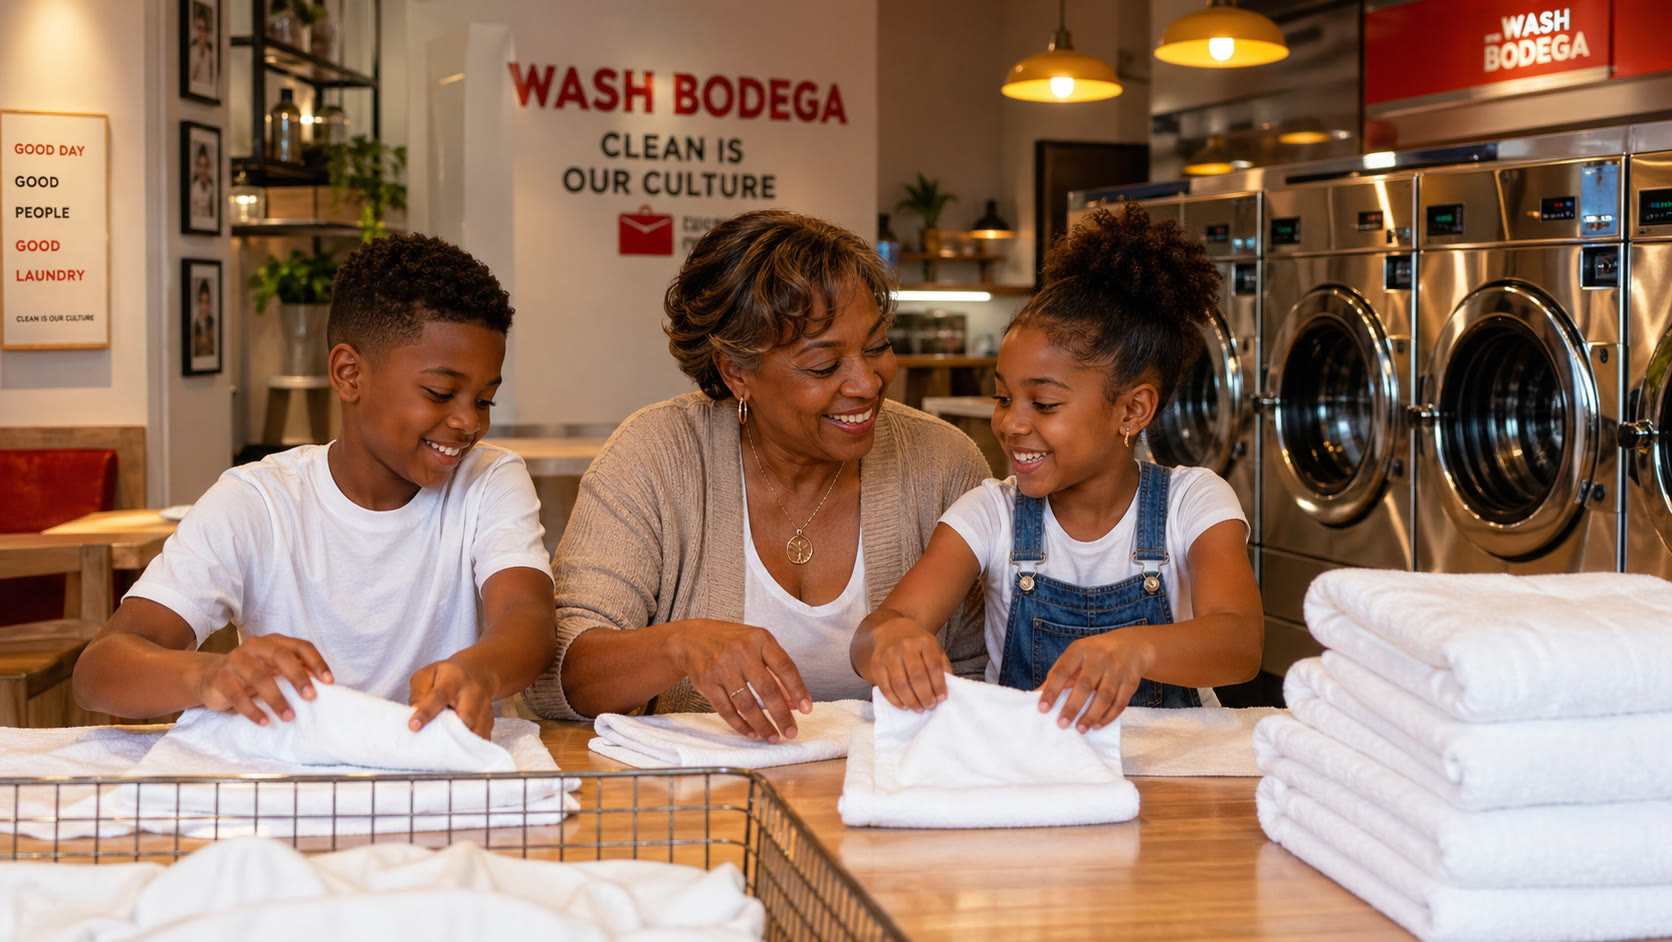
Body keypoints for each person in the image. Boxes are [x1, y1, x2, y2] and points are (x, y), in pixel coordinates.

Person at [523, 209, 992, 743]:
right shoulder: (657, 456)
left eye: (878, 346)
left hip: (893, 797)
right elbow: (559, 676)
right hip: (708, 805)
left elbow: (987, 671)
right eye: (823, 366)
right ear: (736, 371)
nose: (866, 383)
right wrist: (682, 645)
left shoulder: (942, 462)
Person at [73, 234, 557, 739]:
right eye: (440, 393)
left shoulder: (489, 480)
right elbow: (99, 671)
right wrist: (211, 676)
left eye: (484, 400)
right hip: (294, 792)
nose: (467, 422)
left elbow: (527, 618)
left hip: (443, 779)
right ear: (349, 374)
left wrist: (478, 669)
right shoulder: (258, 502)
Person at [851, 203, 1263, 734]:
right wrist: (892, 640)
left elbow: (1240, 643)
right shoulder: (990, 514)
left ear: (1132, 410)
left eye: (1043, 405)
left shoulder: (1193, 502)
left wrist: (1132, 651)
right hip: (1034, 773)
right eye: (1003, 398)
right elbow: (877, 631)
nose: (1012, 424)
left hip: (1170, 771)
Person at [188, 3, 215, 90]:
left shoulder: (210, 55)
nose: (201, 33)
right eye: (199, 28)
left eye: (203, 29)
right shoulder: (192, 53)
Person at [189, 144, 215, 224]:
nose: (203, 170)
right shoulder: (192, 190)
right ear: (197, 168)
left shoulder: (212, 189)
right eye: (200, 166)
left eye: (205, 166)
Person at [191, 279, 216, 358]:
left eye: (206, 302)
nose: (204, 307)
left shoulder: (214, 325)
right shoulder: (194, 326)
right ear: (198, 303)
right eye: (202, 302)